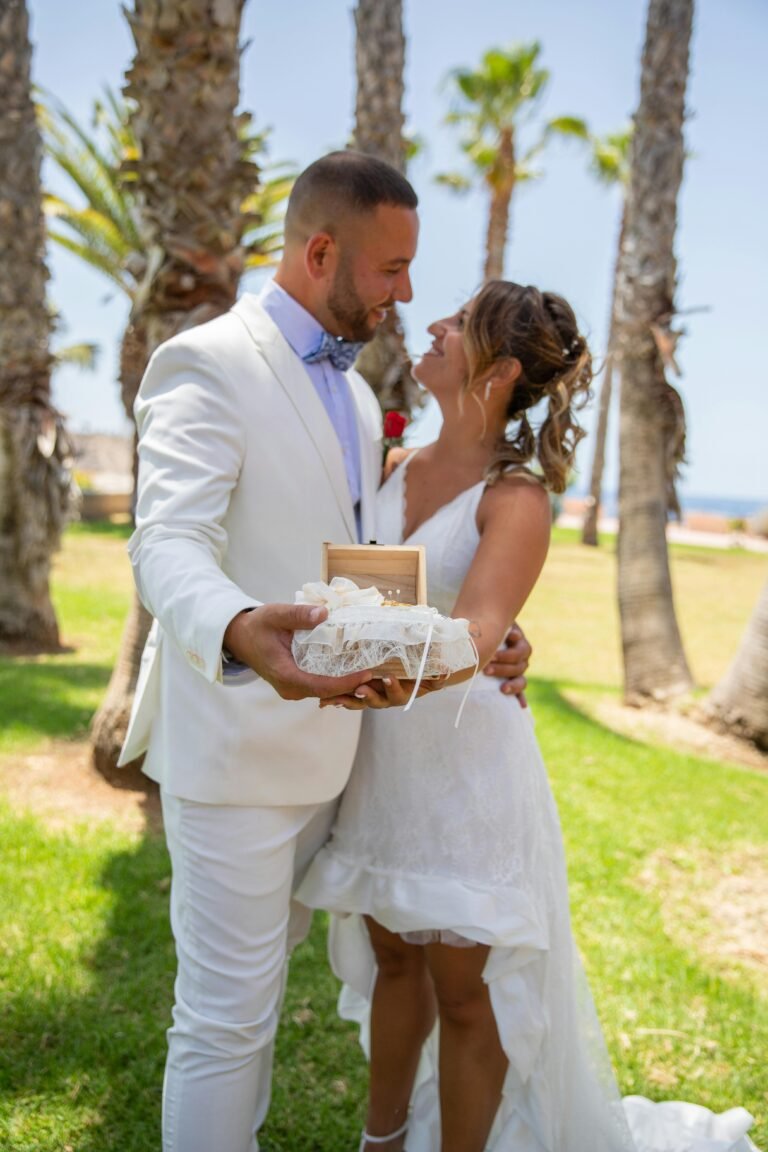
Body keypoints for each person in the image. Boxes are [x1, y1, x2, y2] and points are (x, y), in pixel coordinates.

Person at [119, 151, 531, 1152]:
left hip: (343, 765)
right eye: (392, 270)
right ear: (318, 252)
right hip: (236, 754)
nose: (408, 293)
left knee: (255, 1009)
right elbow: (166, 539)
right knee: (224, 1019)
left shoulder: (354, 402)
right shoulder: (207, 362)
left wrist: (481, 635)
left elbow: (369, 572)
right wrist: (232, 626)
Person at [296, 281, 761, 1152]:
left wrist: (482, 643)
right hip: (384, 764)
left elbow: (474, 631)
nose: (431, 324)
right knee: (397, 960)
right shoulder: (390, 468)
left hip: (466, 774)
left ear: (501, 369)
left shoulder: (516, 499)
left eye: (457, 324)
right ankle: (381, 1141)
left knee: (468, 994)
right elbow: (385, 593)